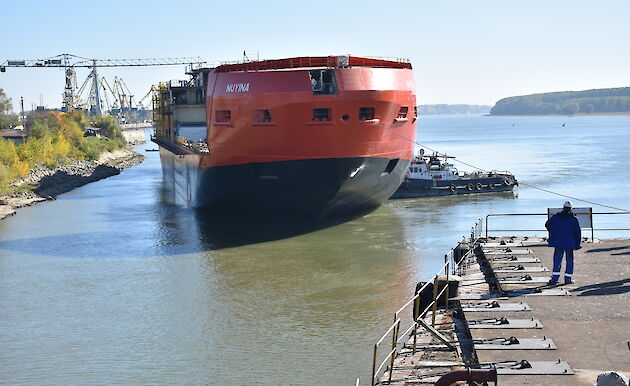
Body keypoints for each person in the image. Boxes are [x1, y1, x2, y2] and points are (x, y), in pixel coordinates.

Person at [545, 201, 581, 285]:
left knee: (557, 260)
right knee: (569, 260)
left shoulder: (555, 217)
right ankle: (568, 279)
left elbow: (547, 225)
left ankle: (554, 279)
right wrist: (577, 243)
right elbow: (577, 232)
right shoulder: (573, 219)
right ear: (571, 209)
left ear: (563, 208)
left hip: (558, 242)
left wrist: (553, 233)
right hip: (569, 242)